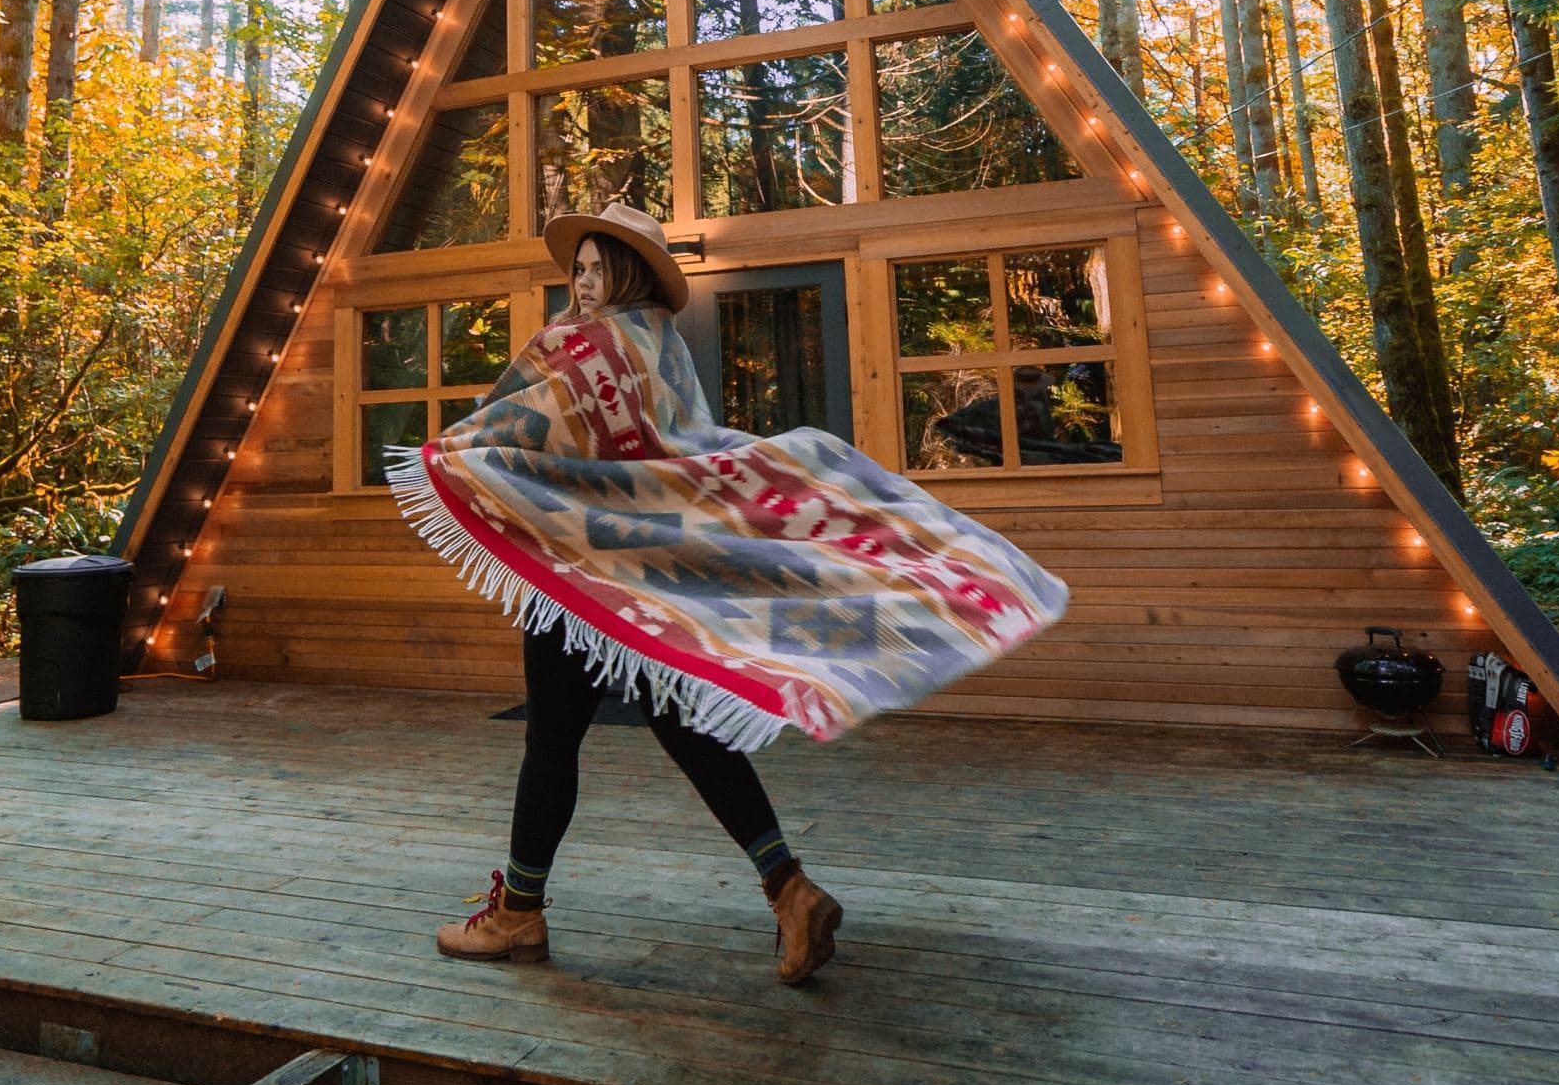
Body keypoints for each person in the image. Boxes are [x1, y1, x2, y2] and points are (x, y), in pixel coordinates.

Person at [388, 198, 1067, 988]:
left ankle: (520, 915)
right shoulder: (661, 346)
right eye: (576, 270)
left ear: (627, 272)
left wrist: (450, 457)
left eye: (596, 268)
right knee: (680, 724)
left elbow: (505, 430)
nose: (581, 283)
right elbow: (679, 449)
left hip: (585, 569)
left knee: (554, 738)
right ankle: (789, 890)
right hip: (659, 569)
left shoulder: (572, 348)